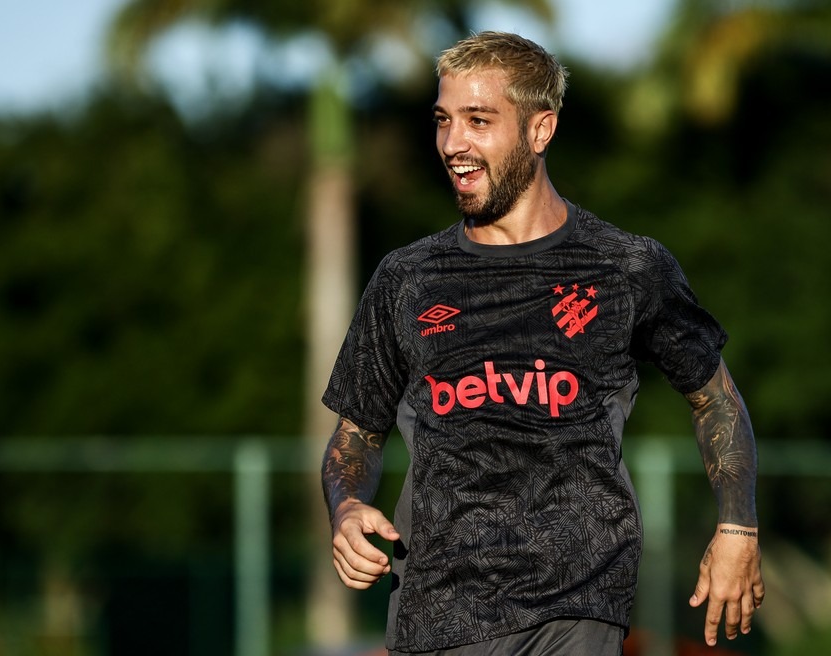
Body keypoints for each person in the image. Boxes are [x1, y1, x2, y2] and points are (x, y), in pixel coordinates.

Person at [320, 31, 764, 656]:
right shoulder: (406, 279)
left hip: (577, 604)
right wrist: (345, 508)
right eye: (444, 121)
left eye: (479, 121)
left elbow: (715, 398)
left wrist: (737, 527)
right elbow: (355, 435)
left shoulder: (626, 266)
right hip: (434, 612)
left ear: (540, 130)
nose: (453, 144)